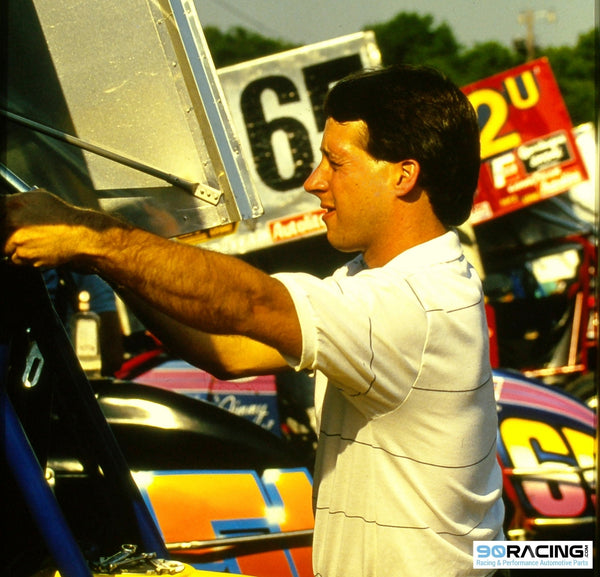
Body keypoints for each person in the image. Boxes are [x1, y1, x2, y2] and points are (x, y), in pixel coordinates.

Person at [2, 65, 505, 576]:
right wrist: (105, 259)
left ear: (403, 173)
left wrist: (92, 234)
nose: (314, 182)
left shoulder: (412, 304)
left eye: (335, 162)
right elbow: (229, 350)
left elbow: (251, 303)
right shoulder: (385, 279)